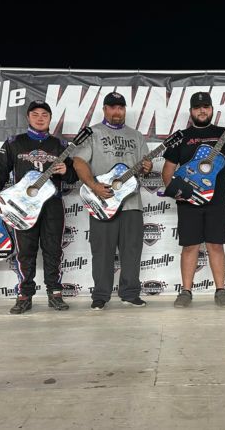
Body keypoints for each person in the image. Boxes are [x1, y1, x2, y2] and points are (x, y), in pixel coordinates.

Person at [0, 100, 78, 314]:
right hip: (23, 207)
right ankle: (24, 295)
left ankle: (54, 293)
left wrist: (67, 171)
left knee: (53, 251)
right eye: (35, 114)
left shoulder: (60, 146)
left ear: (50, 118)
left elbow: (73, 177)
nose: (39, 118)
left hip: (52, 206)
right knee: (25, 252)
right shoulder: (14, 142)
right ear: (28, 117)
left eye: (44, 114)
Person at [162, 91, 225, 308]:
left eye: (206, 106)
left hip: (217, 201)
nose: (202, 110)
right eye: (198, 107)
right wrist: (180, 193)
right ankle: (186, 291)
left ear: (211, 109)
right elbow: (168, 171)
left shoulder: (223, 133)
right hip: (188, 202)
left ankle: (221, 290)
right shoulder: (181, 136)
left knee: (215, 245)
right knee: (190, 246)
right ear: (191, 111)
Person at [72, 92, 153, 311]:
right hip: (103, 201)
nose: (117, 111)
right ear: (105, 109)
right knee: (102, 251)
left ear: (124, 110)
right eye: (112, 107)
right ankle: (100, 295)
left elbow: (145, 166)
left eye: (121, 107)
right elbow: (79, 161)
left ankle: (130, 293)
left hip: (131, 204)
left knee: (132, 251)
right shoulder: (93, 133)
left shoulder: (136, 136)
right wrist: (93, 186)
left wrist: (147, 167)